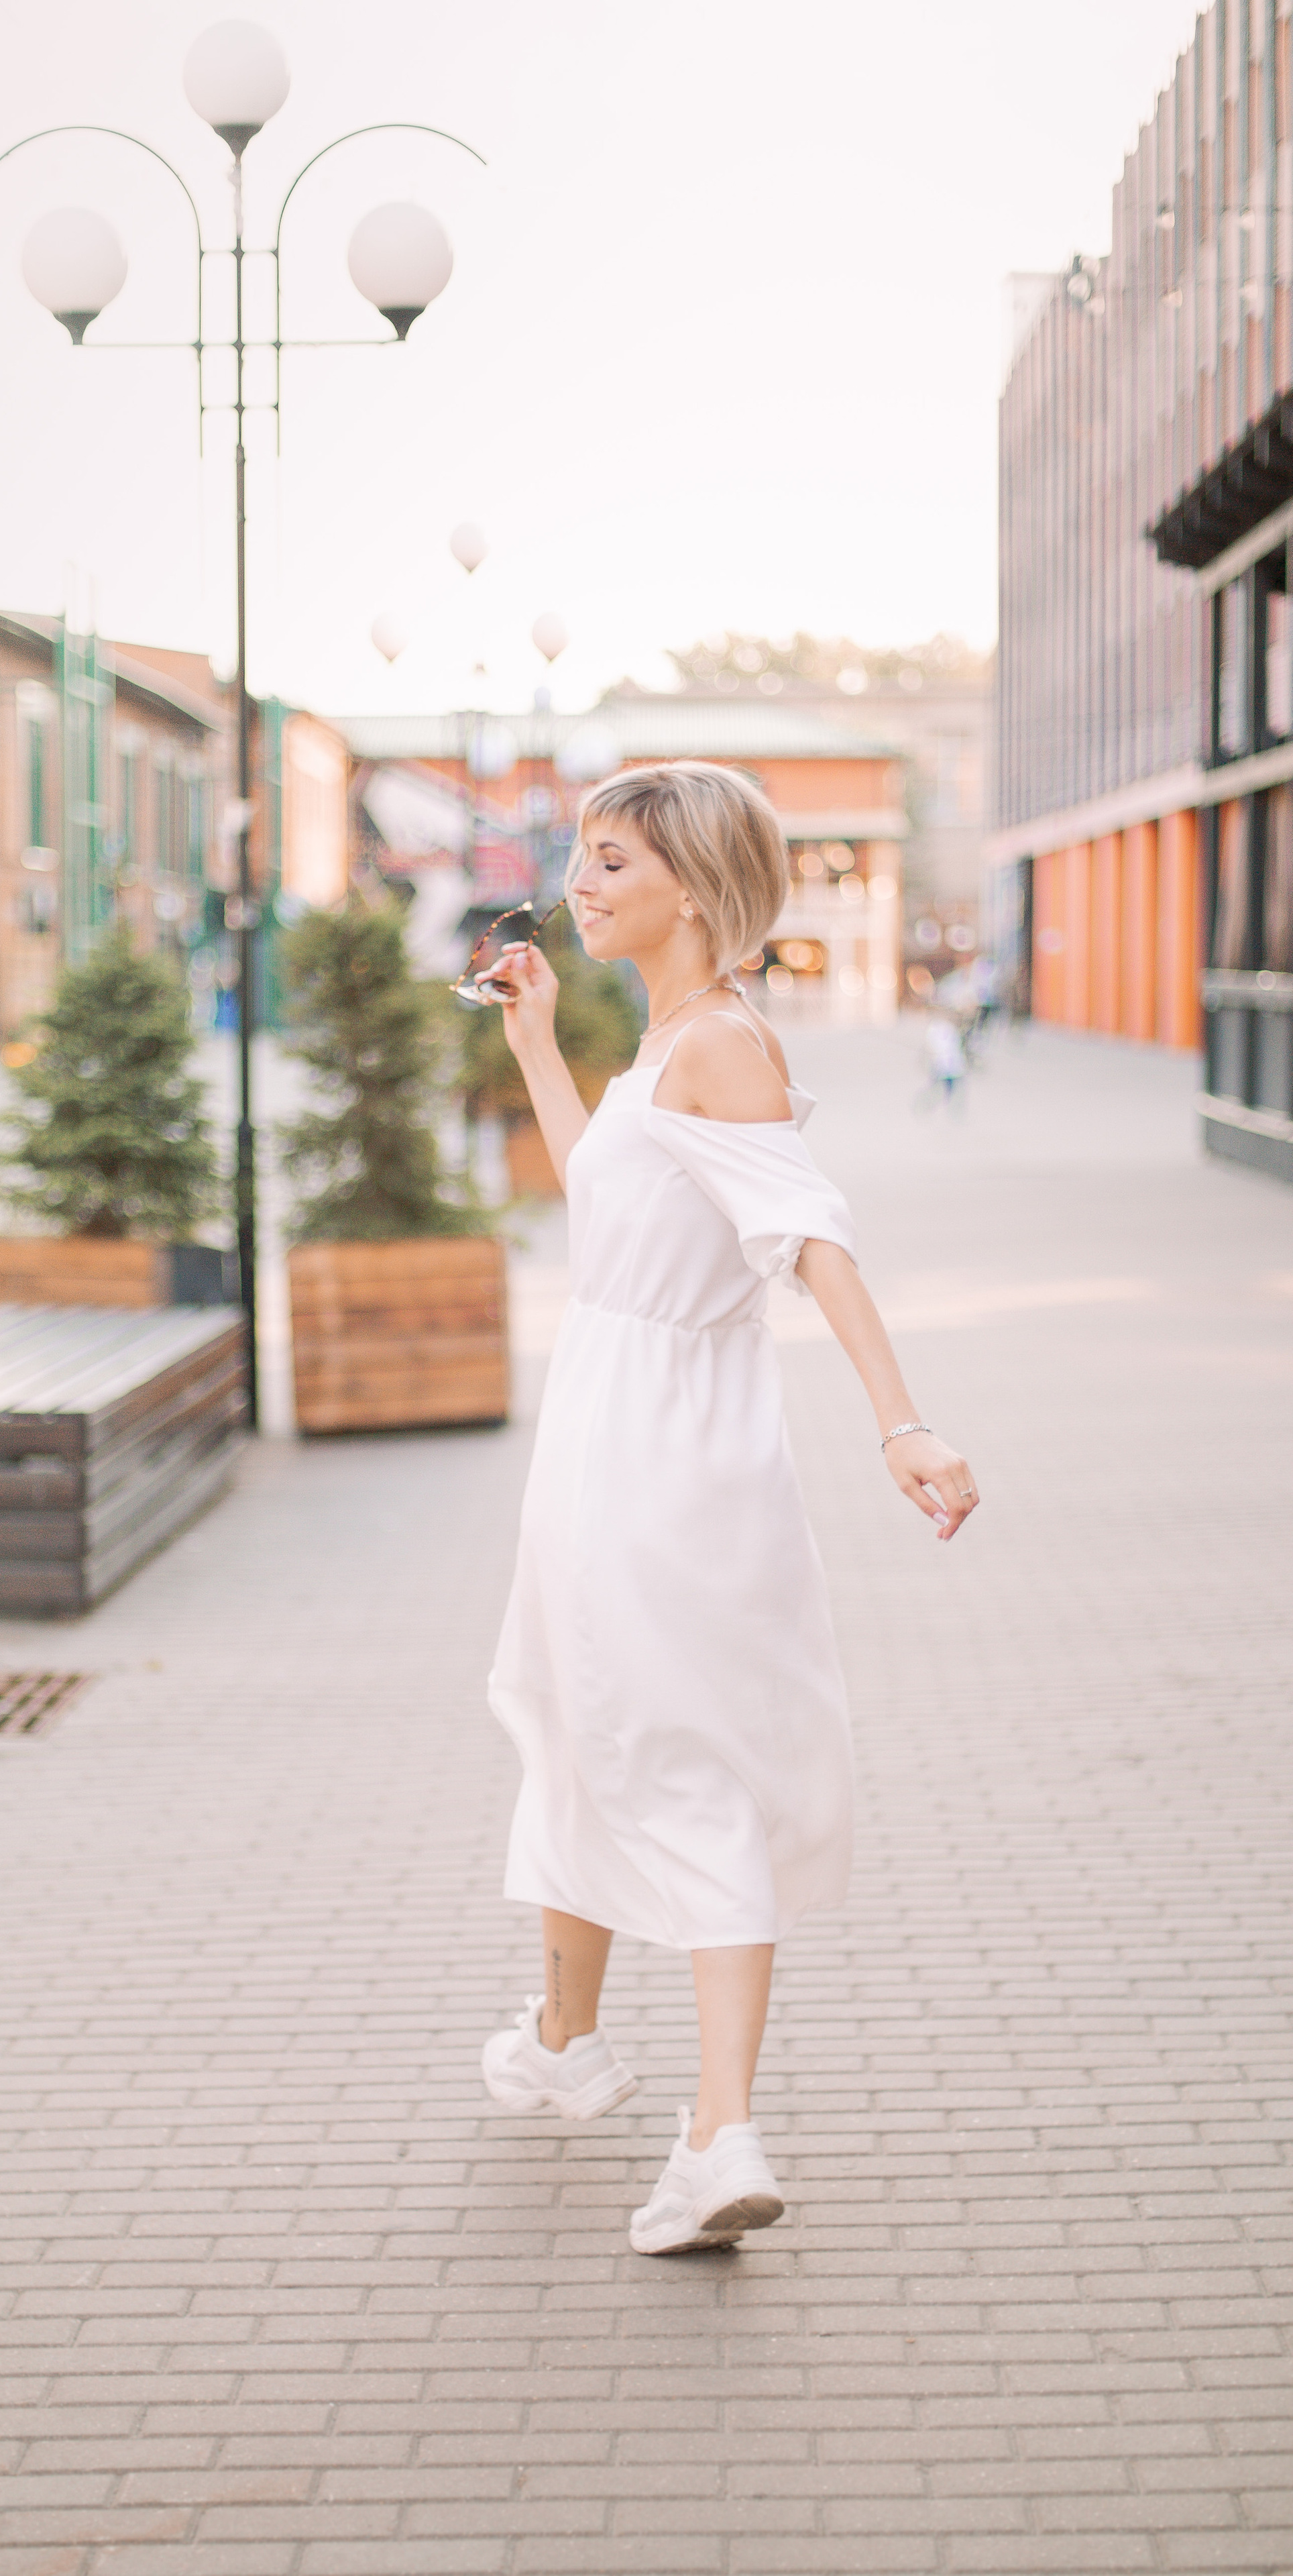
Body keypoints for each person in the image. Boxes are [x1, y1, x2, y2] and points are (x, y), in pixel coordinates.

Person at [476, 761, 978, 2257]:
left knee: (676, 1757)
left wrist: (903, 1422)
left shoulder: (722, 1049)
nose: (582, 883)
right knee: (580, 1720)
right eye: (579, 856)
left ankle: (719, 2132)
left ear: (691, 887)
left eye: (613, 861)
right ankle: (565, 2042)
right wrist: (533, 1044)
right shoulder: (666, 1050)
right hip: (615, 1433)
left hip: (660, 1448)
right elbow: (609, 1208)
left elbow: (809, 1237)